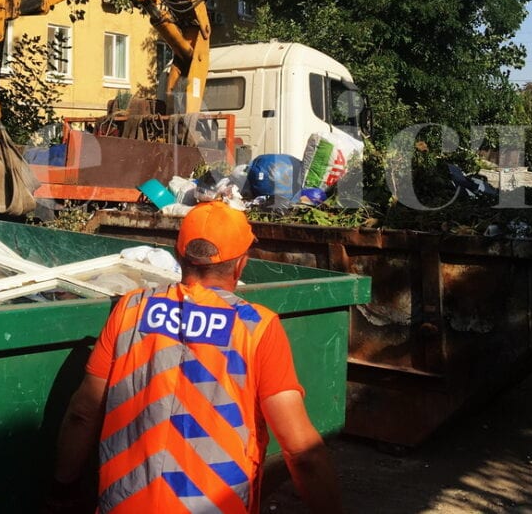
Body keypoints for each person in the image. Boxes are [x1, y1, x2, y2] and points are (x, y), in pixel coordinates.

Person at [47, 201, 344, 513]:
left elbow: (83, 413)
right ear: (241, 264)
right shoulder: (256, 327)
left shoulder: (130, 310)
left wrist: (60, 490)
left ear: (179, 256)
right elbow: (302, 452)